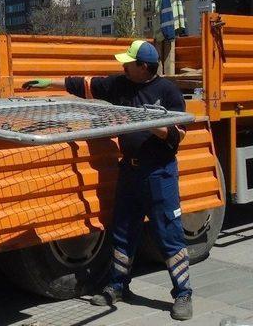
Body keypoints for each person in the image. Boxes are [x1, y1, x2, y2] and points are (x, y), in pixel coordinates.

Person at [23, 39, 193, 321]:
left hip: (159, 174)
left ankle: (184, 293)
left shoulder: (168, 92)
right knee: (123, 231)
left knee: (168, 234)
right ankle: (117, 286)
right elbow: (86, 84)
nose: (123, 66)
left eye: (128, 63)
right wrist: (49, 83)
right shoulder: (120, 85)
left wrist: (152, 124)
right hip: (130, 171)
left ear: (144, 66)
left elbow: (179, 137)